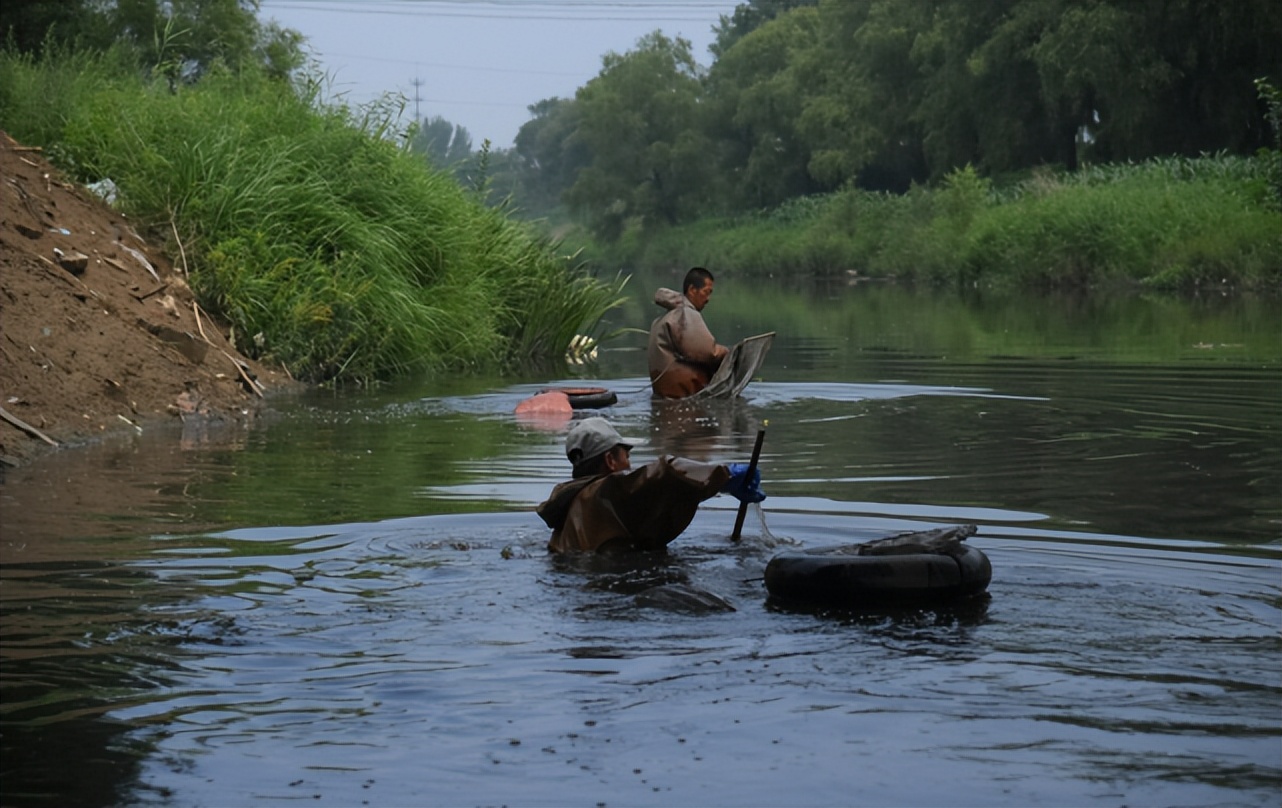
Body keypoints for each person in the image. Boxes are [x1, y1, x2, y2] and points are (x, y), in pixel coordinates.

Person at [537, 417, 766, 554]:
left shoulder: (573, 509)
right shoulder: (607, 490)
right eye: (626, 455)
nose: (630, 464)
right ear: (610, 461)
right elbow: (666, 475)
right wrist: (725, 475)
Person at [647, 267, 730, 399]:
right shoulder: (685, 314)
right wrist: (727, 352)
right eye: (706, 292)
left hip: (663, 396)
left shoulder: (665, 317)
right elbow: (708, 352)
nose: (708, 298)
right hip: (682, 397)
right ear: (692, 290)